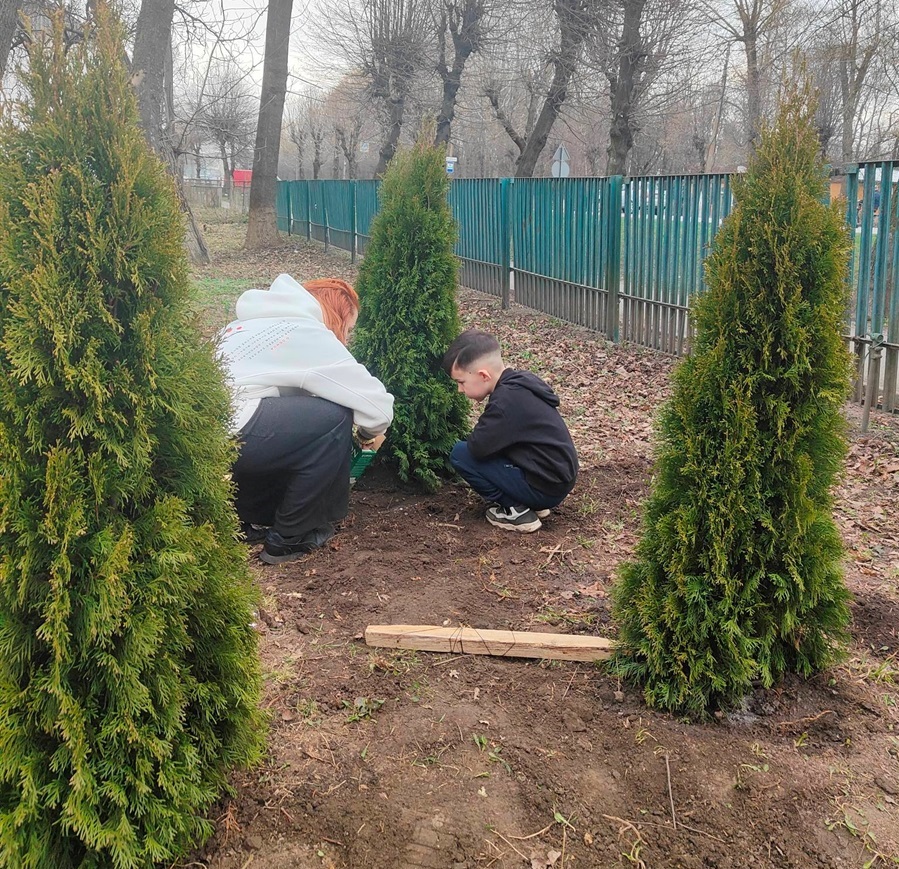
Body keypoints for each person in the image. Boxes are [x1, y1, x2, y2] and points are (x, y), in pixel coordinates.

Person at [219, 274, 393, 564]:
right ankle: (289, 538)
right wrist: (366, 435)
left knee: (279, 423)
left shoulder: (242, 327)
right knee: (334, 417)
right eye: (348, 328)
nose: (347, 338)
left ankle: (247, 518)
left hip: (208, 436)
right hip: (239, 428)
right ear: (336, 316)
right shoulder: (305, 331)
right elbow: (378, 407)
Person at [442, 329, 578, 533]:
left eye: (461, 382)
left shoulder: (504, 403)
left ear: (483, 375)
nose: (460, 390)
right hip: (557, 479)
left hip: (546, 488)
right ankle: (531, 502)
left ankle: (516, 511)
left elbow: (477, 448)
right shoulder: (521, 383)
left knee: (461, 454)